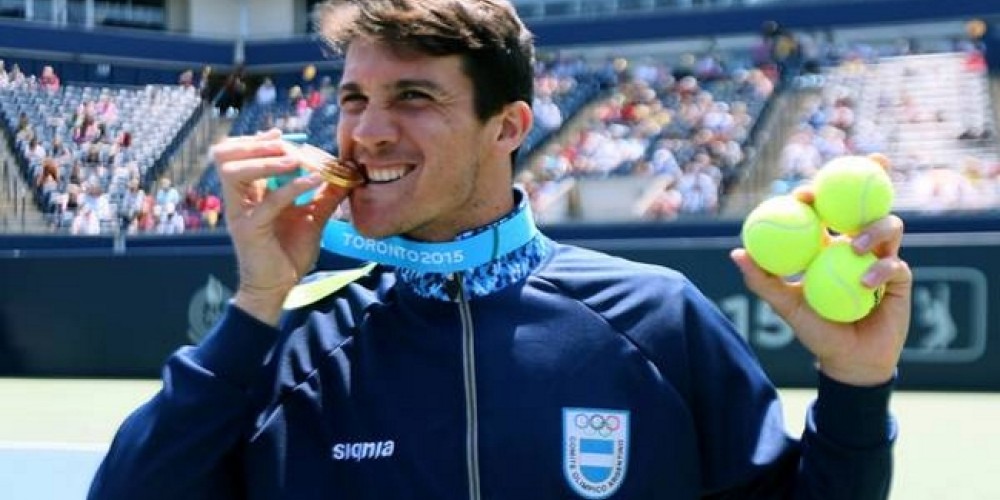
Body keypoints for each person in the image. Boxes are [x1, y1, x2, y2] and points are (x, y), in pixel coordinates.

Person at [88, 1, 912, 499]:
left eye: (413, 96)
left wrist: (857, 384)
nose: (368, 130)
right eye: (353, 98)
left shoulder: (656, 319)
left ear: (509, 126)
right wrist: (256, 305)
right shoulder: (289, 344)